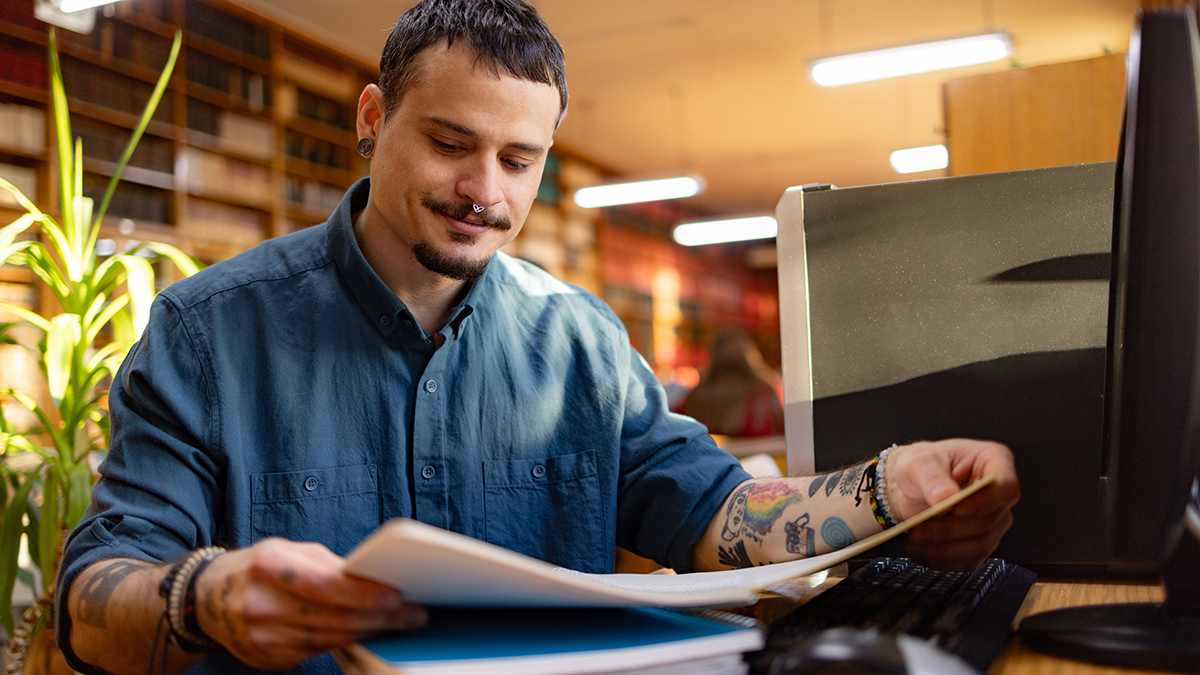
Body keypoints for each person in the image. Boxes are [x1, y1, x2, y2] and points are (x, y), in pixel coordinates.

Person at [55, 1, 1020, 674]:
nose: (488, 191)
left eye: (520, 160)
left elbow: (720, 512)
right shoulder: (208, 332)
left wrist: (892, 487)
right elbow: (93, 600)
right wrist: (203, 596)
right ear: (371, 116)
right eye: (449, 142)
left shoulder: (582, 342)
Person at [679, 329, 786, 437]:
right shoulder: (769, 392)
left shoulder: (696, 397)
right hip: (766, 453)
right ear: (751, 355)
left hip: (713, 452)